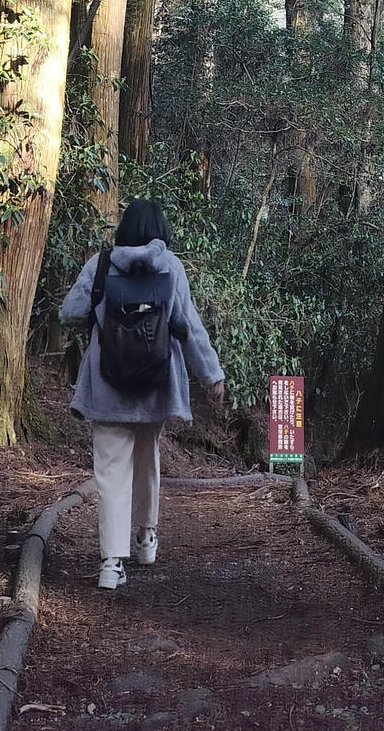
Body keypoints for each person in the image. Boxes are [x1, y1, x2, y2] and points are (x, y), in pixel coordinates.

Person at [59, 197, 225, 590]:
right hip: (155, 386)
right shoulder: (171, 267)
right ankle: (146, 537)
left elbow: (70, 311)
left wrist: (104, 314)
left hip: (107, 385)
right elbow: (189, 326)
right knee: (147, 459)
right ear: (161, 232)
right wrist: (212, 374)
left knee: (110, 471)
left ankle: (111, 563)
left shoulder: (100, 264)